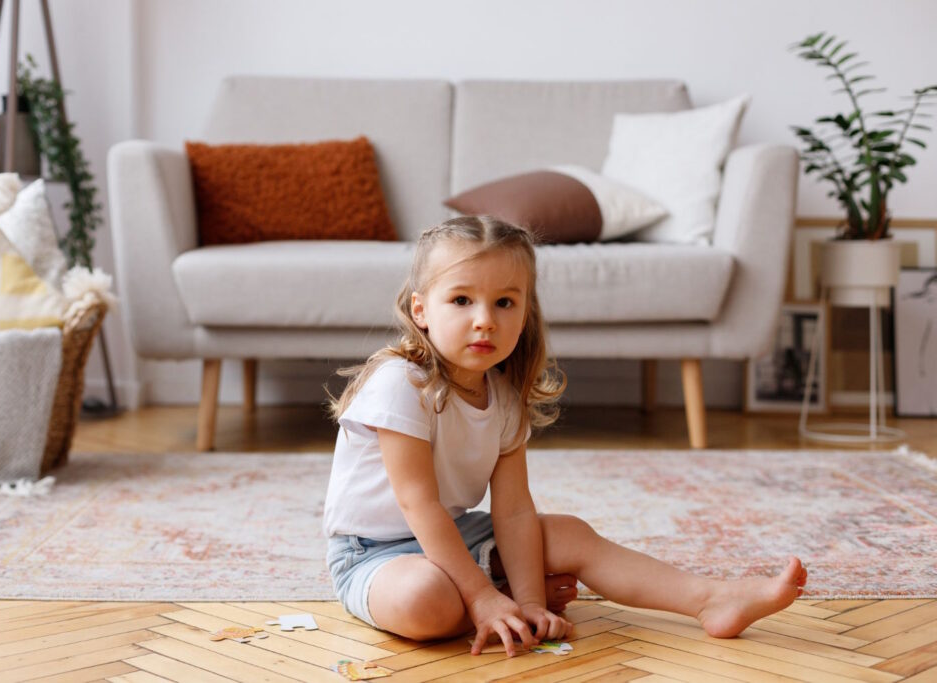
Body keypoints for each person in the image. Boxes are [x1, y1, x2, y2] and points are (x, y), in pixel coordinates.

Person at [322, 215, 808, 657]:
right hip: (373, 552)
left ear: (525, 313)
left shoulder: (505, 396)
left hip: (457, 536)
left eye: (505, 302)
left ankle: (711, 599)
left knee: (570, 532)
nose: (485, 318)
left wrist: (532, 601)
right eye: (462, 300)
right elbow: (420, 506)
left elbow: (512, 510)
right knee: (427, 602)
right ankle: (489, 593)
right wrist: (483, 596)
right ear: (422, 310)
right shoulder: (401, 383)